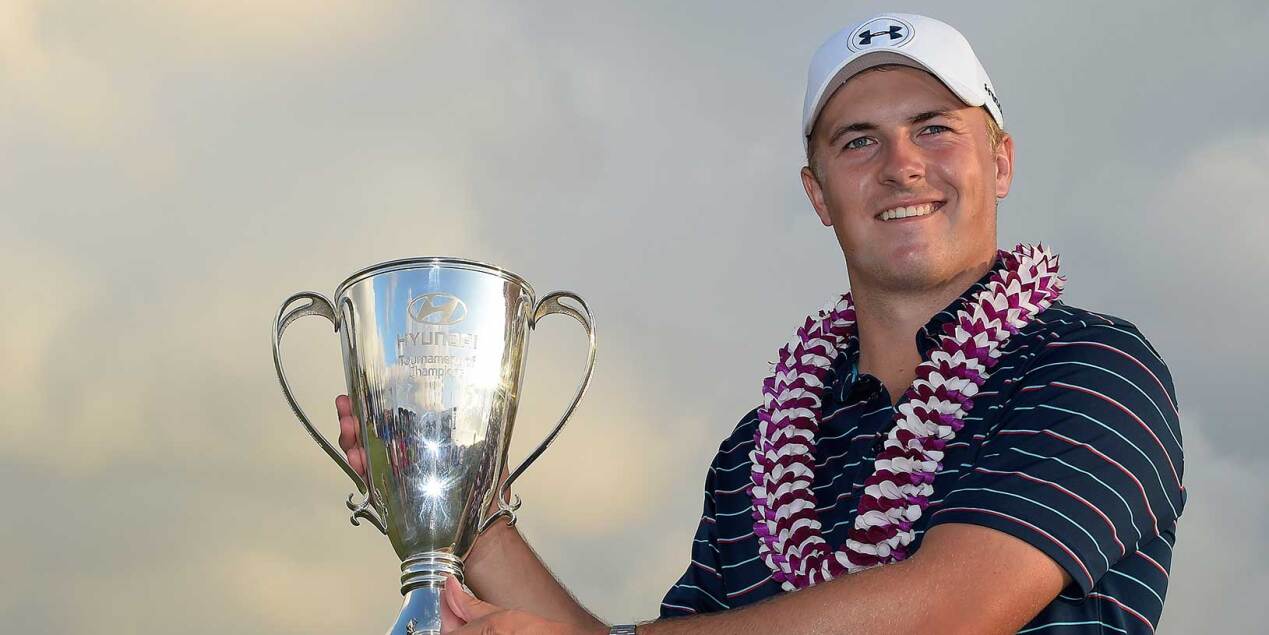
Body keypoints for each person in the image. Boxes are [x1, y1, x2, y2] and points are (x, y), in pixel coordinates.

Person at [336, 13, 1185, 634]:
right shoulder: (760, 448)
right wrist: (462, 506)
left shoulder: (1089, 364)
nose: (901, 166)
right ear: (818, 193)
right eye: (857, 141)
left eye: (933, 128)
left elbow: (950, 610)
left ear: (998, 160)